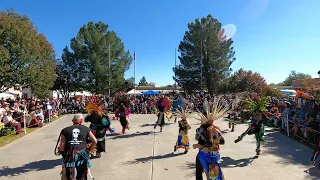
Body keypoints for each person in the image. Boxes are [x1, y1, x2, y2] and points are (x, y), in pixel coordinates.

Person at [193, 97, 229, 180]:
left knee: (200, 171)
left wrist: (195, 146)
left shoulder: (200, 130)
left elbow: (201, 144)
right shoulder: (216, 130)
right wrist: (215, 140)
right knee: (214, 174)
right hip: (215, 155)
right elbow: (222, 142)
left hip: (204, 155)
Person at [58, 114, 97, 180]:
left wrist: (63, 154)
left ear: (73, 121)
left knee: (66, 172)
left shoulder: (65, 130)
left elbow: (62, 144)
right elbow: (95, 141)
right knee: (82, 173)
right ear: (81, 121)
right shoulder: (86, 129)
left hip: (69, 153)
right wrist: (89, 149)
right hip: (82, 153)